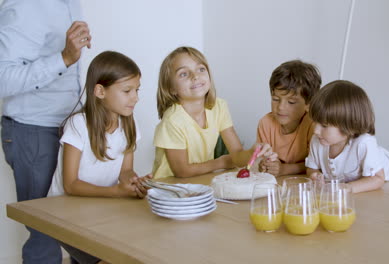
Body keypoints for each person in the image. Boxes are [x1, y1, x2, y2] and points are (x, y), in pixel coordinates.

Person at [0, 0, 91, 263]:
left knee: (80, 225)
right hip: (34, 131)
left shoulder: (71, 3)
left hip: (72, 128)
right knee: (44, 231)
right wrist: (63, 58)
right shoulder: (23, 6)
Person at [47, 51, 150, 264]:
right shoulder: (78, 125)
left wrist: (133, 182)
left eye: (137, 90)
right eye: (127, 91)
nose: (136, 97)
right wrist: (117, 192)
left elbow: (124, 171)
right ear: (100, 91)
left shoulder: (129, 123)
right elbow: (71, 185)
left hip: (100, 207)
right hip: (62, 213)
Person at [153, 46, 276, 178]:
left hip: (199, 183)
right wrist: (221, 162)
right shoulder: (173, 120)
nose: (195, 76)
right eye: (183, 73)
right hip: (169, 188)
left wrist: (253, 151)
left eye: (201, 69)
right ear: (171, 88)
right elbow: (182, 171)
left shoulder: (219, 107)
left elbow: (237, 155)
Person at [305, 80, 389, 193]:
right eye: (315, 122)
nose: (316, 130)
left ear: (349, 125)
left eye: (324, 125)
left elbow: (378, 179)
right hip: (350, 191)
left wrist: (347, 188)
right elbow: (312, 167)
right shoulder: (318, 141)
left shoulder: (364, 143)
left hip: (387, 185)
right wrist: (314, 175)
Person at [257, 60, 321, 177]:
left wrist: (284, 170)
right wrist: (265, 165)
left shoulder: (314, 126)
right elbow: (263, 159)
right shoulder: (265, 123)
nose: (281, 107)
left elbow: (318, 164)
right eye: (275, 99)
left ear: (309, 104)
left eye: (291, 102)